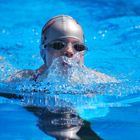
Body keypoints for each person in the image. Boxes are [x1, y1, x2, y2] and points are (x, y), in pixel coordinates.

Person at [8, 15, 117, 83]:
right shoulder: (27, 79)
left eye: (78, 47)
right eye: (58, 45)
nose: (69, 52)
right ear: (43, 52)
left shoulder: (97, 81)